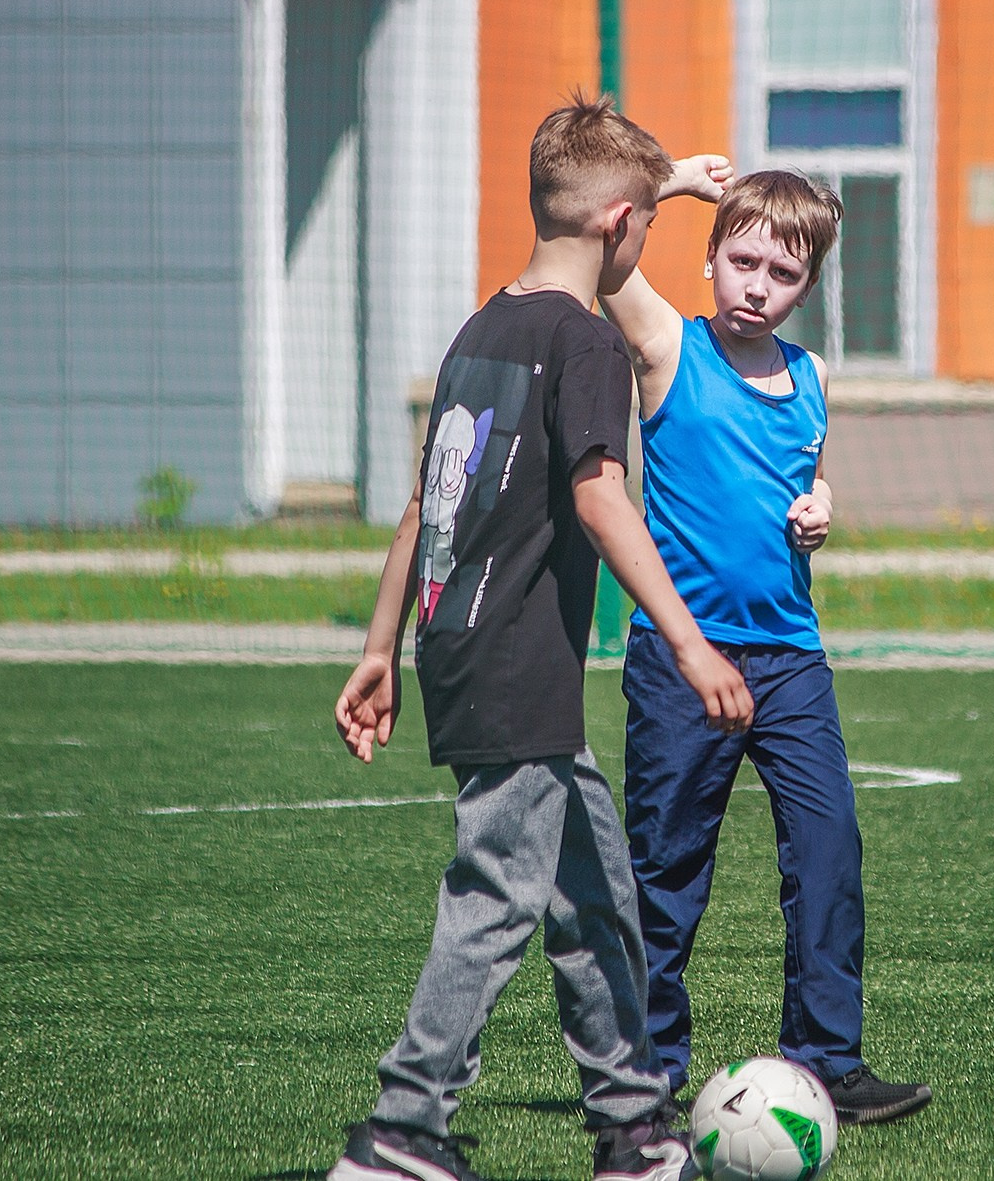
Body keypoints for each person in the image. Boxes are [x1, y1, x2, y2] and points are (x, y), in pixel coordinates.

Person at [327, 96, 756, 1181]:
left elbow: (427, 502)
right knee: (494, 899)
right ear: (618, 228)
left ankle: (633, 1126)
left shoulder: (486, 328)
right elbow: (604, 502)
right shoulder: (584, 345)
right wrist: (692, 644)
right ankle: (402, 1130)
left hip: (457, 646)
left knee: (596, 890)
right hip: (516, 657)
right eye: (646, 223)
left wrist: (379, 647)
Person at [598, 165, 934, 1124]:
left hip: (791, 659)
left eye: (780, 272)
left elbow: (812, 477)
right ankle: (649, 1071)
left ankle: (829, 1058)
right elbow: (604, 246)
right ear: (707, 256)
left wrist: (821, 506)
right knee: (665, 868)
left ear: (807, 284)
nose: (755, 284)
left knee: (829, 850)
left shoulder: (815, 376)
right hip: (683, 661)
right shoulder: (667, 347)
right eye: (739, 260)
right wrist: (666, 183)